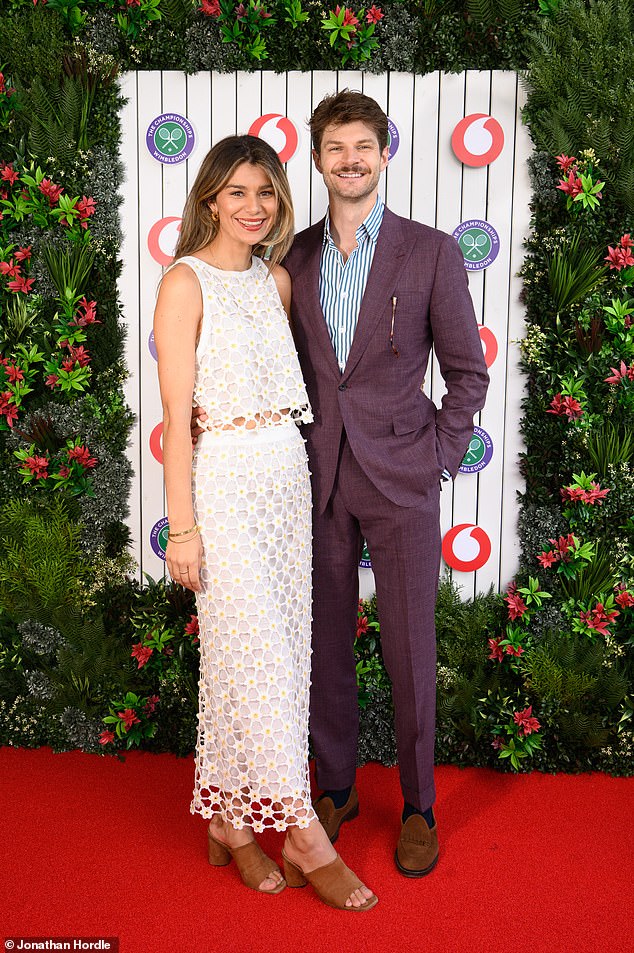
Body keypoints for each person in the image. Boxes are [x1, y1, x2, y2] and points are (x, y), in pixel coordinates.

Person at [193, 91, 489, 877]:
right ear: (317, 160)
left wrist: (439, 457)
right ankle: (334, 788)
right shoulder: (290, 259)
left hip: (403, 480)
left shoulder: (429, 252)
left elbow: (466, 373)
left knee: (408, 649)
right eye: (335, 148)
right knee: (319, 647)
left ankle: (420, 803)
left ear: (383, 154)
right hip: (309, 482)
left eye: (364, 146)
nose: (350, 160)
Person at [153, 134, 377, 911]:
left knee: (270, 658)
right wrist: (182, 528)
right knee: (257, 658)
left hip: (287, 483)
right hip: (224, 484)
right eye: (238, 192)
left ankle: (228, 820)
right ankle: (301, 833)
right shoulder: (184, 282)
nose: (255, 206)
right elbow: (177, 417)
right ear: (210, 197)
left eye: (268, 192)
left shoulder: (276, 281)